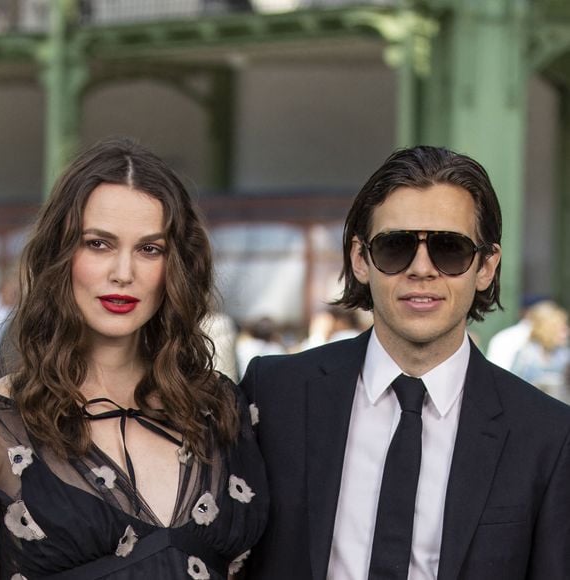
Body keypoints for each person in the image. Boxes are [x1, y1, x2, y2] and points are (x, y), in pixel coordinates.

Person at [240, 145, 570, 579]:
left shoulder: (546, 434)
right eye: (396, 247)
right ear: (361, 259)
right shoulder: (275, 393)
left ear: (486, 266)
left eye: (449, 248)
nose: (421, 268)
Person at [0, 137, 268, 579]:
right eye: (99, 244)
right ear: (60, 255)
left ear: (175, 266)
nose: (124, 272)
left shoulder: (221, 409)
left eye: (149, 249)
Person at [511, 301, 570, 402]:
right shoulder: (526, 355)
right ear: (547, 330)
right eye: (561, 329)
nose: (567, 332)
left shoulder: (564, 355)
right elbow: (513, 387)